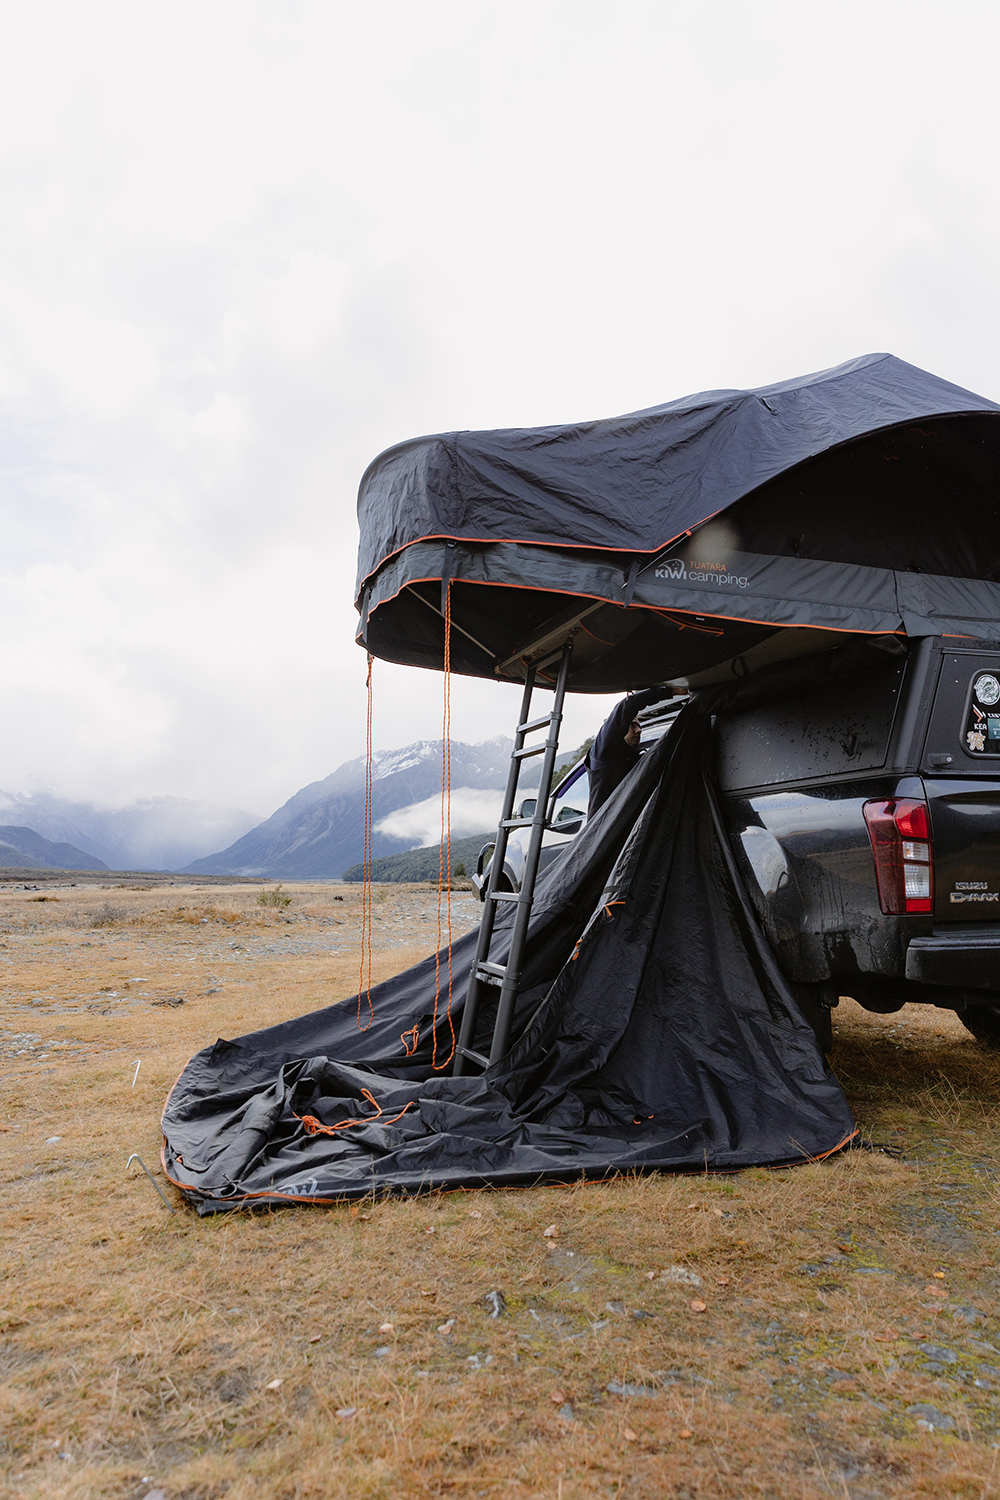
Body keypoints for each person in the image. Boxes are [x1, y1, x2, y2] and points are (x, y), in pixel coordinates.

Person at [585, 687, 671, 819]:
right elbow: (626, 706)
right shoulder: (602, 753)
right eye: (632, 725)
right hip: (603, 834)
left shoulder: (637, 759)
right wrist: (671, 691)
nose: (638, 730)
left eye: (639, 725)